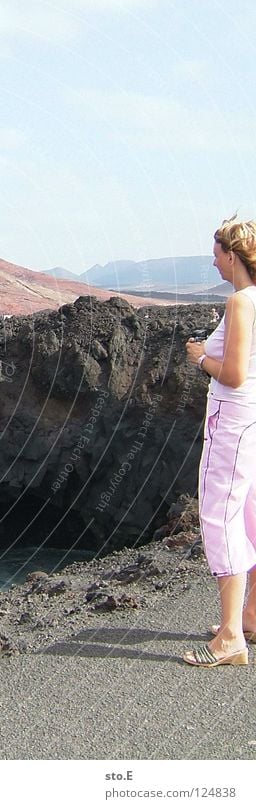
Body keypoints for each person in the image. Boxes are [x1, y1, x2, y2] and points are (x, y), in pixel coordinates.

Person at [184, 215, 256, 667]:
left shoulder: (241, 303)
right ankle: (250, 616)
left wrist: (198, 359)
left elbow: (232, 374)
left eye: (216, 256)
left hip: (232, 420)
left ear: (233, 255)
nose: (214, 265)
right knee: (251, 512)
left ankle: (230, 637)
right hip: (254, 418)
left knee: (219, 514)